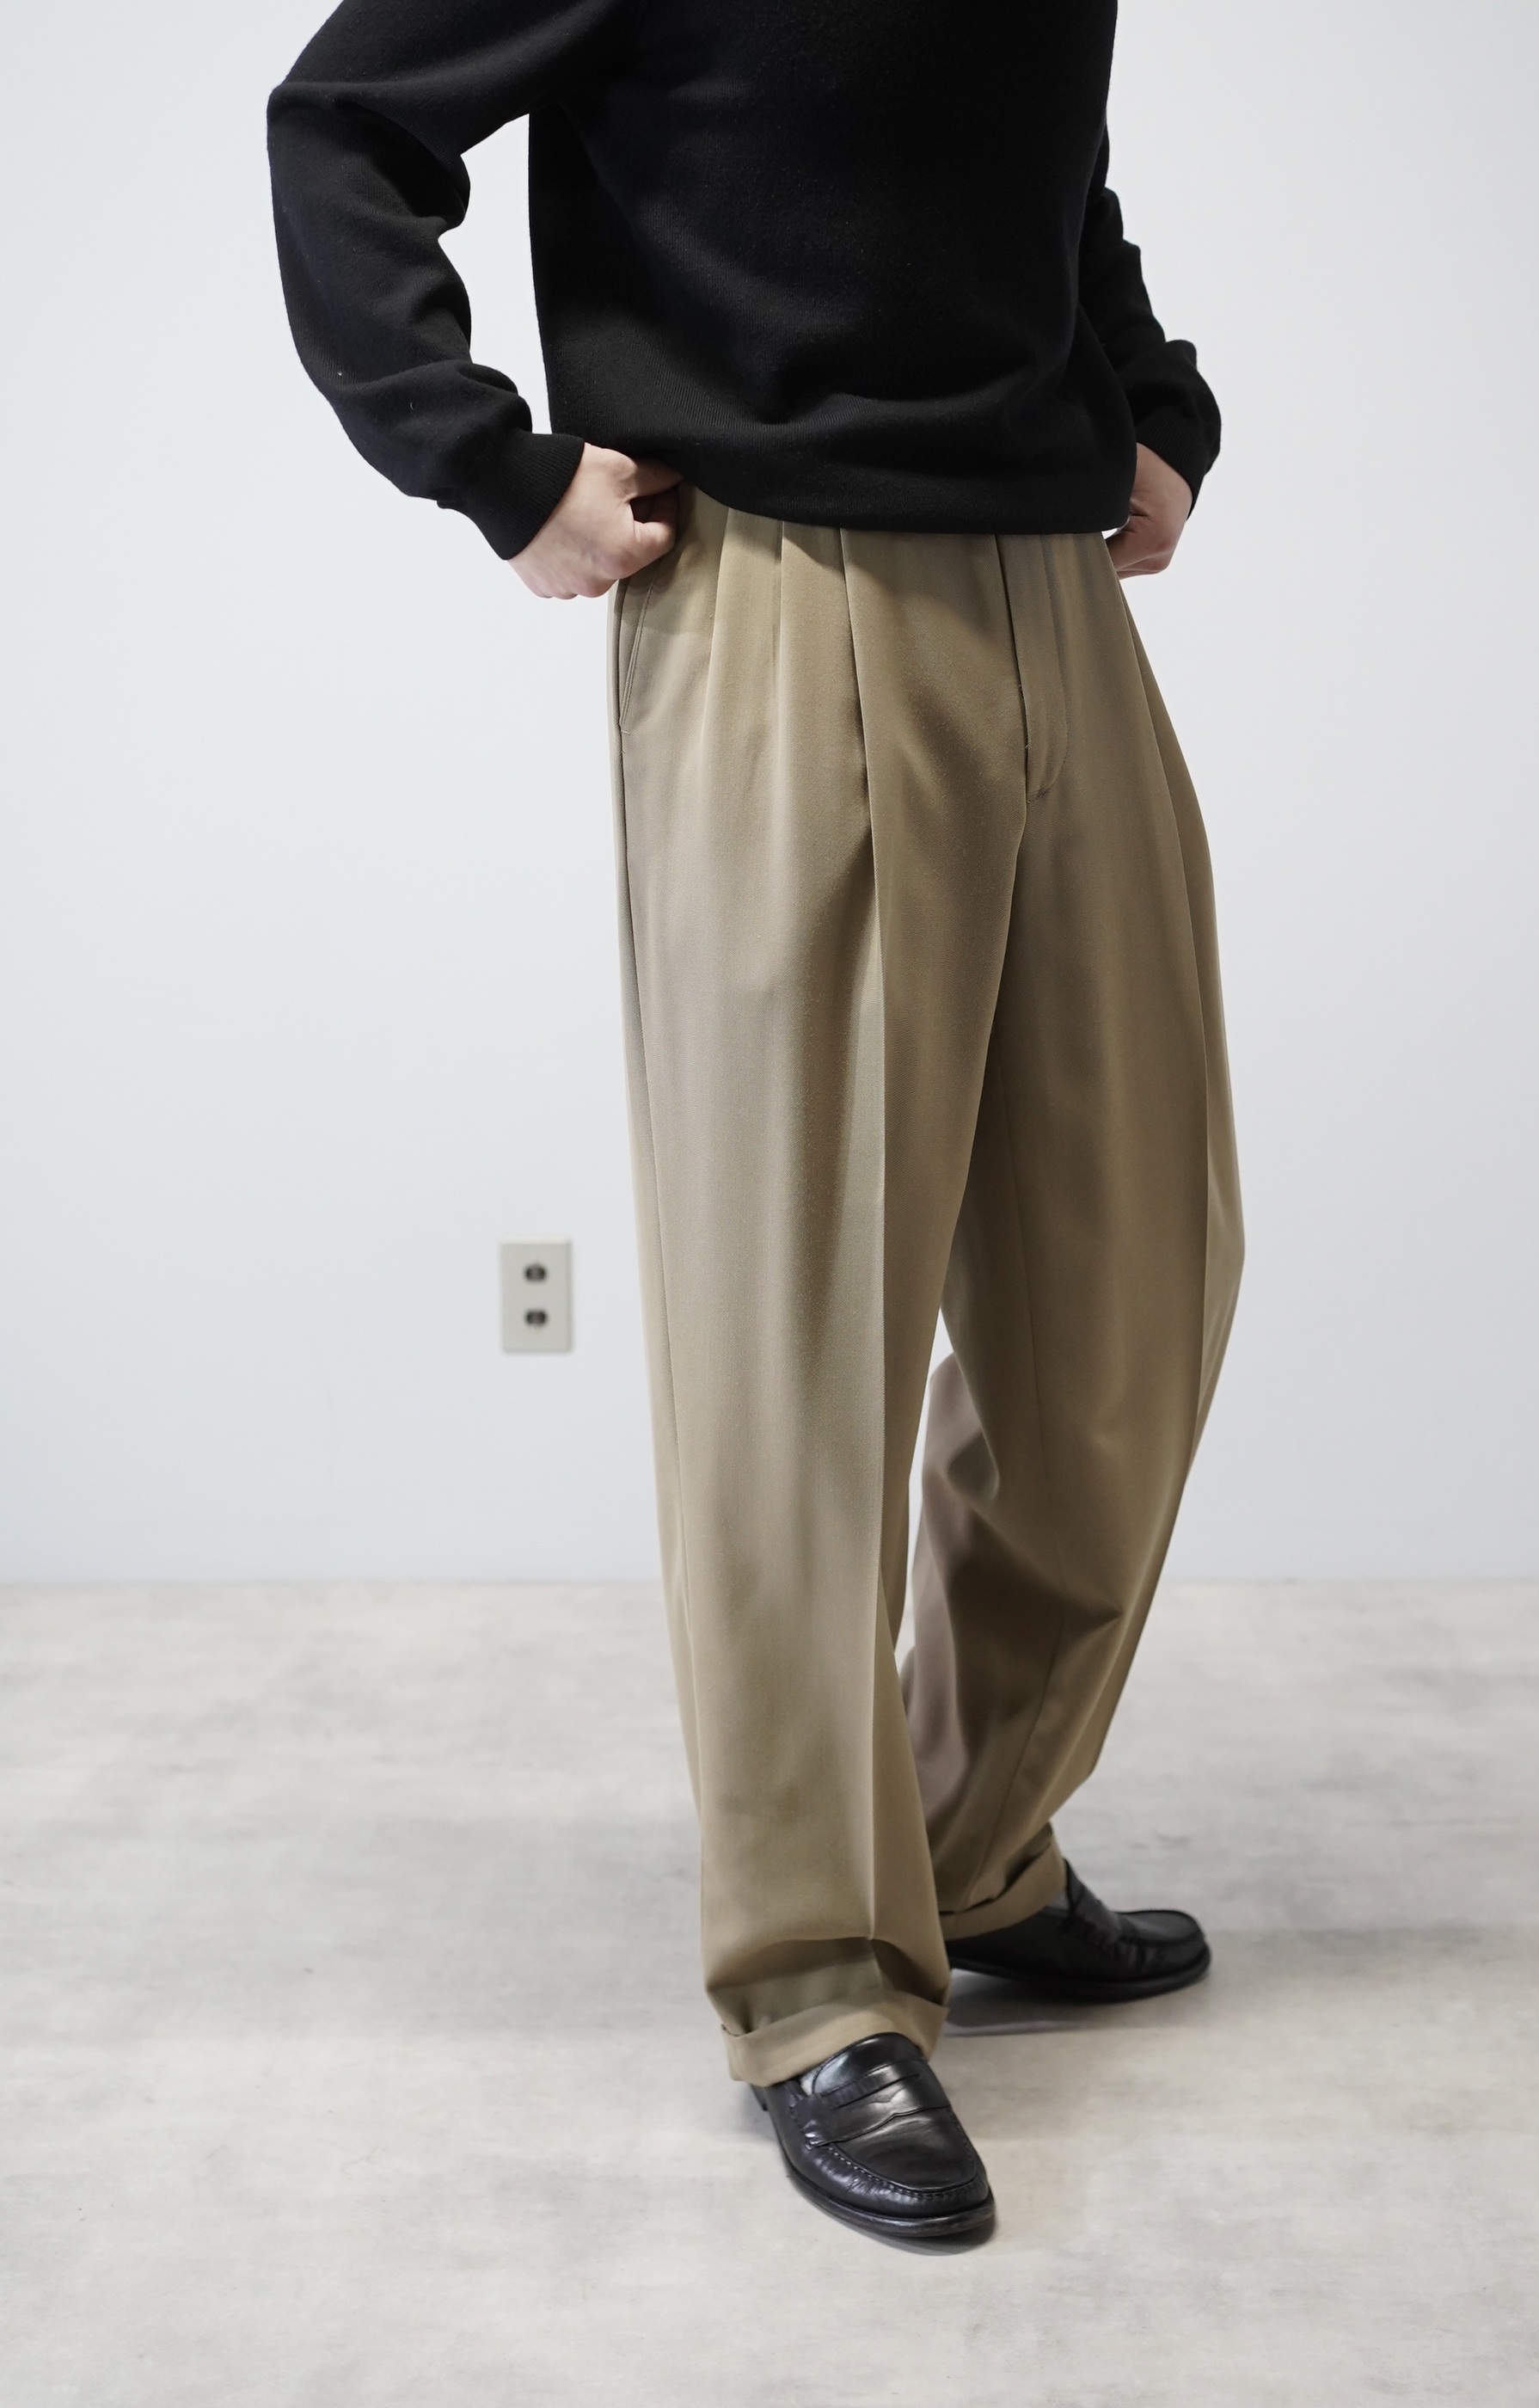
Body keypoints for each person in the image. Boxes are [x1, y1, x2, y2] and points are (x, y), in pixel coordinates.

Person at [268, 0, 1242, 2250]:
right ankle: (818, 1980)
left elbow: (1037, 170)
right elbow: (342, 126)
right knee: (800, 1337)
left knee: (1129, 1295)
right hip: (778, 587)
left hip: (1052, 591)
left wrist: (1149, 399)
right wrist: (483, 460)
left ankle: (973, 1848)